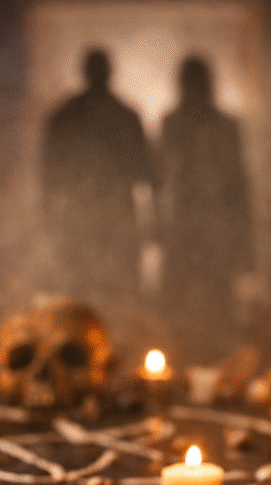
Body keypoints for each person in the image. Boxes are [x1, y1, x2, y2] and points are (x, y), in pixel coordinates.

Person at [158, 56, 253, 360]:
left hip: (217, 229)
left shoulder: (227, 126)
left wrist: (245, 243)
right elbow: (161, 181)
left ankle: (218, 366)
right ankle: (180, 361)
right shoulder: (171, 124)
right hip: (184, 227)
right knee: (180, 303)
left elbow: (239, 185)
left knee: (218, 303)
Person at [42, 49, 152, 307]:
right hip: (90, 217)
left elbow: (144, 173)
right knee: (87, 291)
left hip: (107, 217)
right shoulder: (120, 116)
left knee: (112, 291)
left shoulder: (70, 115)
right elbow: (50, 174)